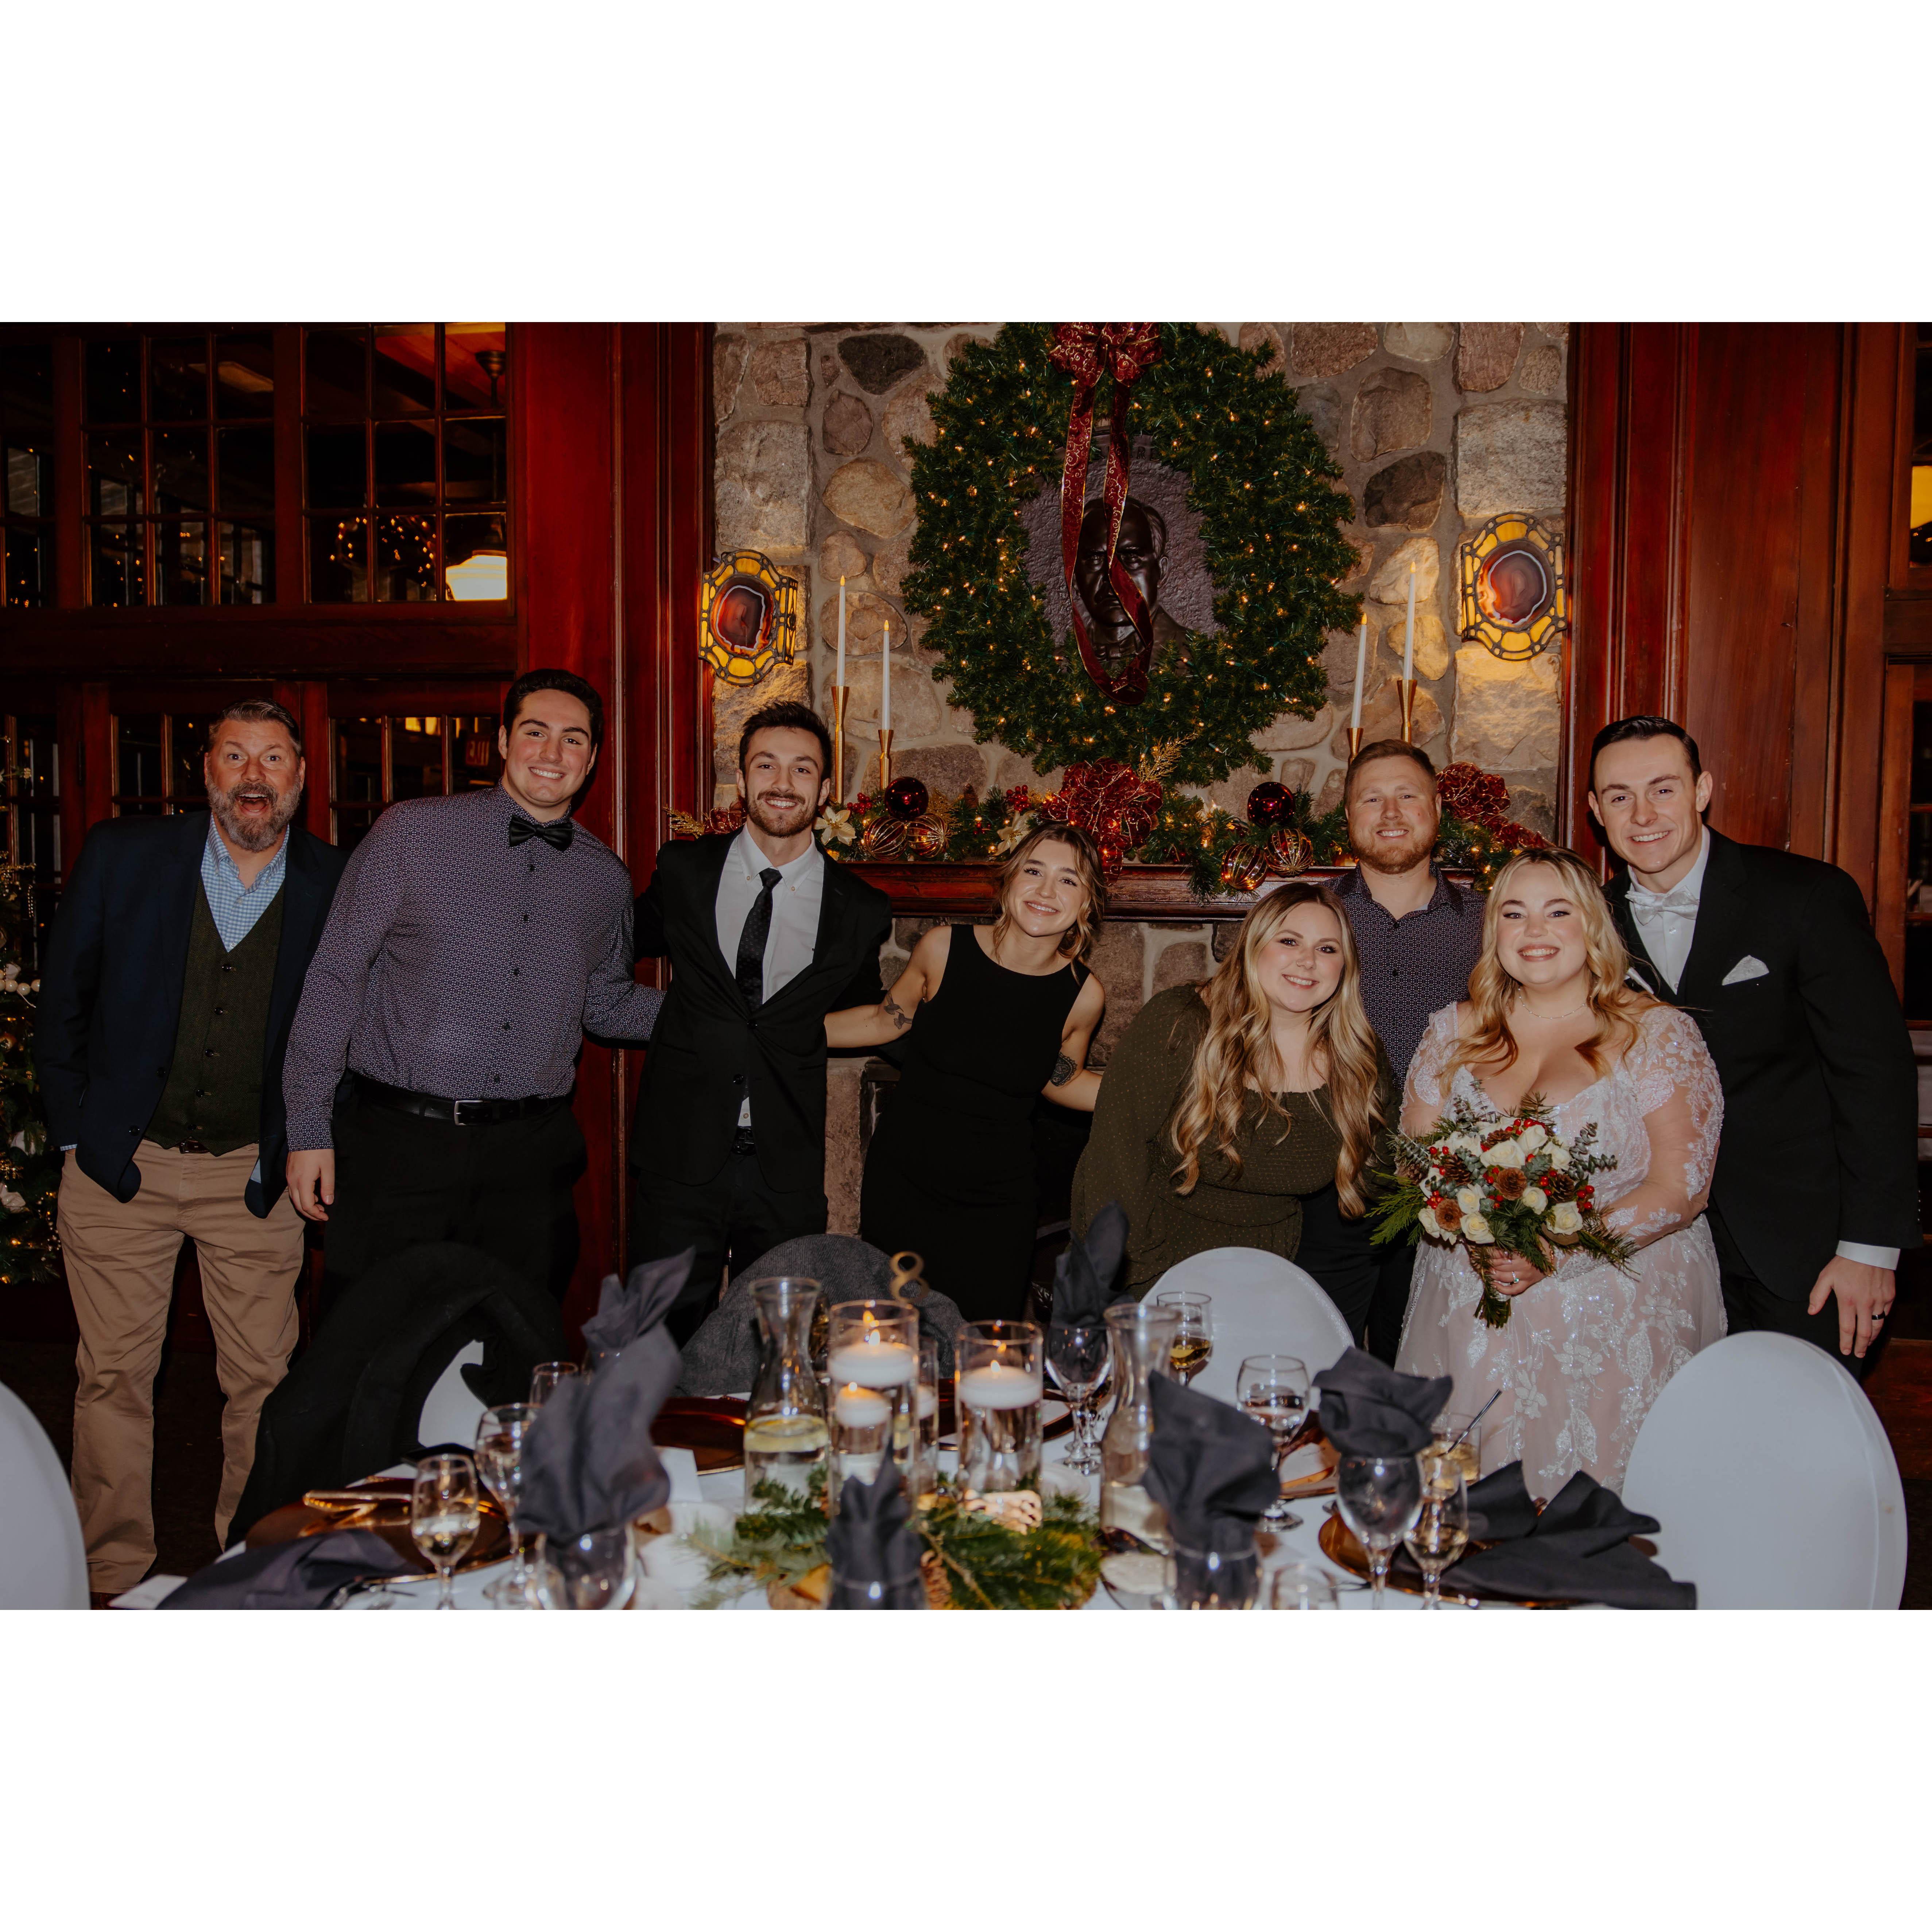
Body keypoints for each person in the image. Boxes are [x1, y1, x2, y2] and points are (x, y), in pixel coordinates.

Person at [35, 699, 348, 1598]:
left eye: (274, 758)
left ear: (299, 777)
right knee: (112, 1377)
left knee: (262, 1380)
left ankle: (249, 1569)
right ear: (206, 769)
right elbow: (64, 1000)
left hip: (254, 1172)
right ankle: (109, 1575)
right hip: (121, 1168)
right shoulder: (123, 855)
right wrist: (77, 1134)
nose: (255, 775)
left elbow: (351, 1025)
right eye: (235, 755)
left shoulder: (337, 881)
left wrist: (307, 1137)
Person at [282, 669, 660, 1305]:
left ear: (592, 757)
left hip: (529, 1162)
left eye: (572, 739)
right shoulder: (411, 833)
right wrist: (309, 1128)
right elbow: (336, 974)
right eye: (535, 732)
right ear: (504, 740)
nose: (552, 752)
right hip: (398, 1147)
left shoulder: (605, 880)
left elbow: (606, 1003)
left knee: (513, 1345)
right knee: (373, 1343)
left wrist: (721, 1013)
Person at [1590, 715, 1918, 1375]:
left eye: (1663, 789)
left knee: (1801, 1430)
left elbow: (1873, 1075)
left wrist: (1870, 1247)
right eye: (1620, 796)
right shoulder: (1587, 923)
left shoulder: (1805, 897)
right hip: (1652, 1254)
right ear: (1597, 812)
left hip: (1803, 1251)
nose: (1643, 815)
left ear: (1702, 790)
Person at [1395, 848, 1726, 1490]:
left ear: (1592, 925)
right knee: (1466, 1494)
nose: (1534, 931)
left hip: (1611, 1312)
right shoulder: (1453, 1030)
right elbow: (1414, 1164)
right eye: (1514, 913)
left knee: (1597, 1494)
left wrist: (1557, 1248)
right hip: (1470, 1300)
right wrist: (1465, 1220)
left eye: (1557, 911)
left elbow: (1682, 1187)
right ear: (1494, 931)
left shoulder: (1656, 1033)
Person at [630, 701, 891, 1340]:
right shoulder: (684, 871)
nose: (783, 782)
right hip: (678, 1157)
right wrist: (668, 1022)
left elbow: (862, 1011)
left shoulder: (860, 908)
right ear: (742, 780)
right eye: (766, 765)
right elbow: (611, 949)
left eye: (802, 769)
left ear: (825, 790)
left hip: (785, 1166)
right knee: (657, 1343)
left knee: (778, 1345)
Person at [835, 824, 1109, 1320]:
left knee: (982, 1347)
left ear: (1086, 903)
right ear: (1008, 881)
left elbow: (1062, 1080)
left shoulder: (1083, 994)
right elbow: (884, 1020)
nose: (1046, 890)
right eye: (1033, 871)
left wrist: (1163, 1091)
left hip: (997, 1205)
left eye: (1068, 880)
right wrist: (781, 1031)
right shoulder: (943, 948)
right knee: (893, 1339)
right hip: (904, 1185)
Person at [1070, 882, 1394, 1300]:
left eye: (1327, 949)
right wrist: (1138, 1277)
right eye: (1289, 940)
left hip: (1269, 1272)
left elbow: (1385, 1170)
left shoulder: (1356, 1056)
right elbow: (1112, 1155)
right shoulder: (1181, 1022)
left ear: (1345, 966)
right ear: (1252, 946)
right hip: (1152, 1260)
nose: (1307, 960)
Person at [1312, 741, 1484, 1351]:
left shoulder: (1490, 924)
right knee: (1318, 1351)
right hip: (1326, 1176)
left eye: (1407, 795)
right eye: (1371, 799)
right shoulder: (1311, 918)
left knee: (1413, 1359)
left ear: (1436, 808)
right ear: (1348, 816)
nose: (1390, 813)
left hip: (1445, 1184)